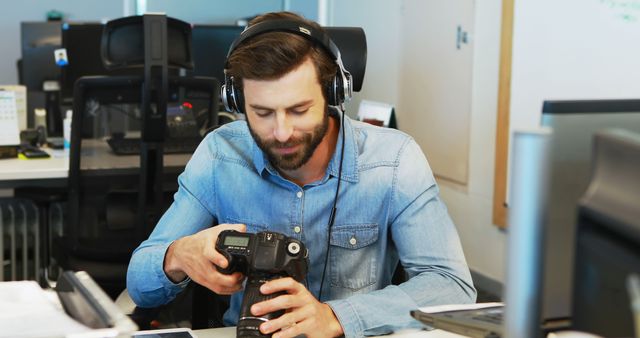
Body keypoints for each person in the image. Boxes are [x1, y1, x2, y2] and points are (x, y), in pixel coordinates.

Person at [127, 11, 476, 338]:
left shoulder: (395, 159)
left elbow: (452, 285)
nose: (281, 132)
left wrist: (337, 317)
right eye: (262, 112)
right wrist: (178, 255)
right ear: (236, 100)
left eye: (299, 109)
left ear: (332, 93)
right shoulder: (220, 153)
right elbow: (140, 283)